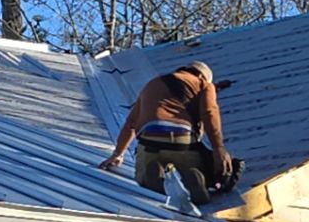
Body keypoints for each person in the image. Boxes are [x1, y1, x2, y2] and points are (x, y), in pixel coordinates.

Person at [99, 61, 240, 200]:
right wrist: (218, 147)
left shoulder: (152, 84)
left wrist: (118, 154)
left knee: (142, 174)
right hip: (182, 141)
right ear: (202, 77)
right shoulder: (204, 85)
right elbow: (209, 113)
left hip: (149, 142)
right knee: (201, 169)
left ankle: (152, 179)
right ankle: (194, 176)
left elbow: (131, 123)